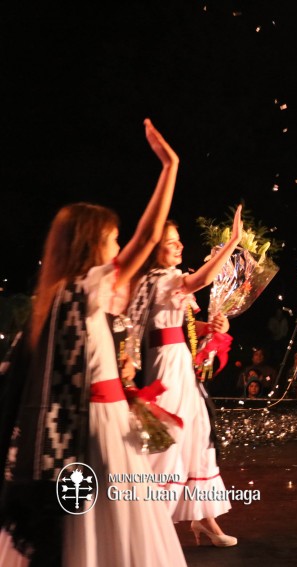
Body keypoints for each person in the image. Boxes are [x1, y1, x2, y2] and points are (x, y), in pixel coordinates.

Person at [0, 119, 186, 566]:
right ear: (91, 245)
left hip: (99, 423)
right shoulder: (83, 292)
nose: (119, 247)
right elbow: (147, 237)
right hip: (99, 432)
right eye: (113, 240)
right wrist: (170, 168)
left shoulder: (63, 298)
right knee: (108, 529)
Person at [128, 207, 243, 547]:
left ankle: (204, 520)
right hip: (165, 366)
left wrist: (212, 326)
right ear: (154, 249)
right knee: (168, 439)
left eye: (178, 241)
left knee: (196, 435)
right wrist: (232, 243)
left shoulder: (167, 278)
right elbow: (201, 281)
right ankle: (148, 527)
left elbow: (183, 327)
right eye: (170, 243)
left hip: (179, 361)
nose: (179, 246)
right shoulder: (157, 279)